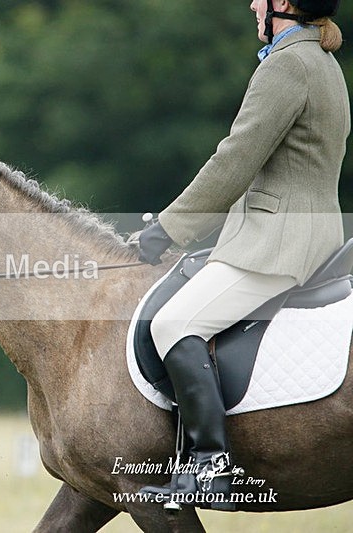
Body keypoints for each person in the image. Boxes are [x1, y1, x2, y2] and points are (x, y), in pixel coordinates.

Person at [137, 0, 349, 507]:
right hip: (311, 234)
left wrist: (168, 228)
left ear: (285, 4)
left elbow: (235, 158)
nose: (253, 3)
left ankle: (210, 467)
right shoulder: (323, 61)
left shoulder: (288, 65)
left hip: (278, 243)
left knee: (172, 325)